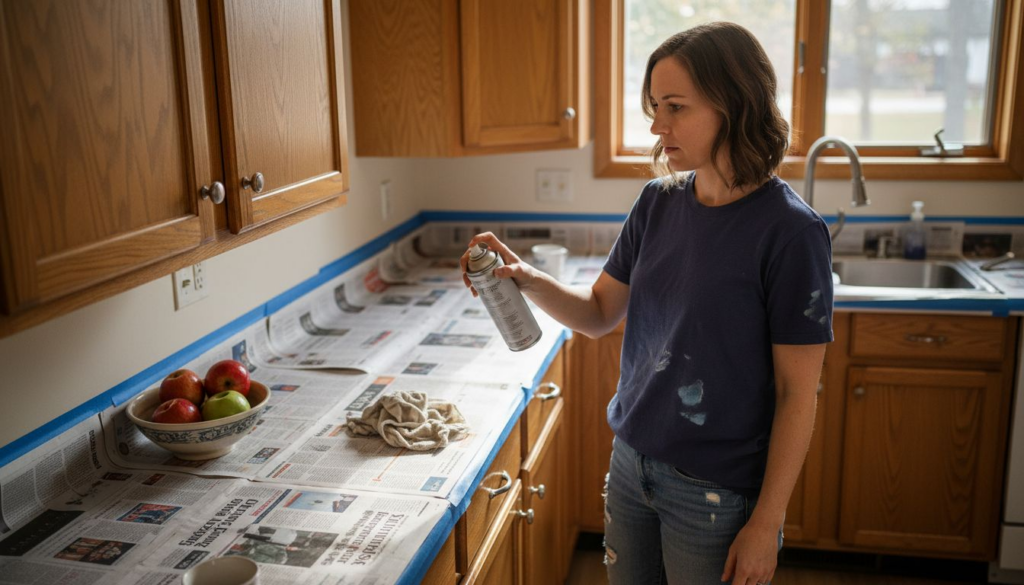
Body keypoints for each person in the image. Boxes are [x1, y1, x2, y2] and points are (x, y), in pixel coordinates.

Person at [460, 21, 833, 585]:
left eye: (676, 107)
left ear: (735, 103)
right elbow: (597, 313)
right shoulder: (658, 203)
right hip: (631, 464)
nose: (658, 127)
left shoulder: (791, 232)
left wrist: (766, 523)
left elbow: (797, 393)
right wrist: (524, 278)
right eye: (655, 106)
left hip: (717, 492)